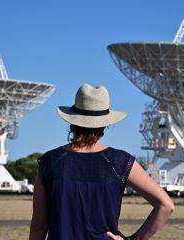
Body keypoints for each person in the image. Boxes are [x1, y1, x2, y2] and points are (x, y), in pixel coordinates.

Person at [29, 84, 174, 240]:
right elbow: (166, 205)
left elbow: (39, 225)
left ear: (72, 121)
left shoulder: (49, 162)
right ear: (106, 123)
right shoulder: (121, 162)